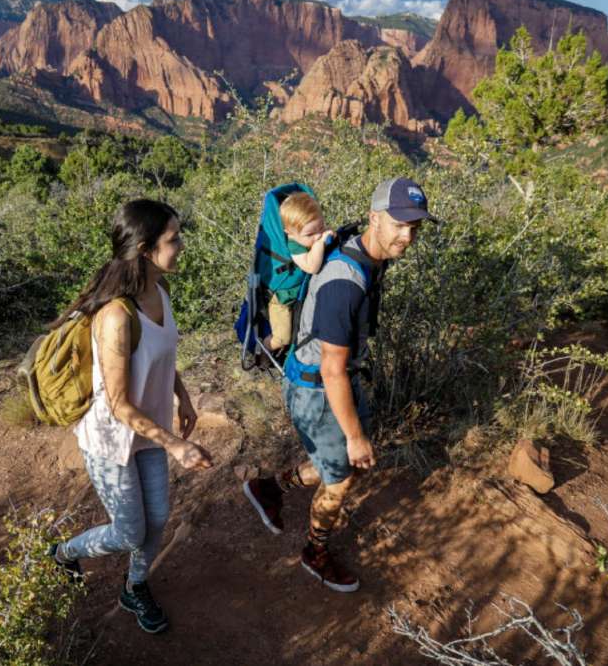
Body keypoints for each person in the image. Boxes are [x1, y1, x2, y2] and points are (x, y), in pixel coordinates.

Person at [243, 178, 436, 592]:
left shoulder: (368, 252)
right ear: (374, 219)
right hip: (317, 389)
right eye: (399, 224)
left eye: (415, 226)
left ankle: (269, 487)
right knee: (343, 478)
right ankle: (315, 552)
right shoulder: (344, 282)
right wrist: (353, 436)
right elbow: (331, 369)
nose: (408, 235)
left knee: (346, 468)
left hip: (337, 380)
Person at [48, 199, 213, 634]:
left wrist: (183, 396)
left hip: (151, 429)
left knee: (157, 518)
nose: (180, 245)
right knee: (129, 531)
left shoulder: (160, 291)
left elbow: (163, 353)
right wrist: (175, 443)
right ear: (144, 249)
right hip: (112, 439)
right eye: (173, 239)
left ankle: (134, 586)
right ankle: (64, 552)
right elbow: (120, 404)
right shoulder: (116, 316)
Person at [264, 192, 335, 352]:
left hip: (300, 295)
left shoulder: (308, 236)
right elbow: (312, 267)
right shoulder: (294, 246)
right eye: (310, 234)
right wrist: (320, 245)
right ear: (289, 232)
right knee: (283, 338)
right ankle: (263, 348)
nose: (317, 236)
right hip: (283, 300)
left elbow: (319, 236)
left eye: (321, 227)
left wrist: (329, 234)